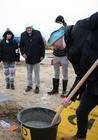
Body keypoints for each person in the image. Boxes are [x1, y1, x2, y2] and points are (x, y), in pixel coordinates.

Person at [48, 12, 98, 140]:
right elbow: (80, 75)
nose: (54, 47)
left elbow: (95, 19)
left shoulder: (80, 27)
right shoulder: (70, 52)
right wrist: (71, 96)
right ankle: (80, 137)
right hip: (94, 84)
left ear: (60, 38)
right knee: (81, 111)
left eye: (54, 44)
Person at [20, 24, 45, 94]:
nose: (29, 29)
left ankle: (37, 87)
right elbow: (21, 46)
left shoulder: (38, 33)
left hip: (37, 57)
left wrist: (42, 55)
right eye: (27, 28)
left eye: (30, 28)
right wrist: (23, 53)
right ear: (26, 28)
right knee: (29, 73)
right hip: (28, 58)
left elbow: (42, 45)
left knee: (37, 73)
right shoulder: (23, 35)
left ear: (32, 28)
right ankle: (29, 85)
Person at [48, 15, 69, 97]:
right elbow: (51, 40)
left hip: (64, 55)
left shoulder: (66, 30)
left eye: (58, 22)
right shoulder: (56, 30)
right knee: (56, 73)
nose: (57, 24)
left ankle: (64, 91)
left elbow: (69, 41)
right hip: (55, 54)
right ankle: (55, 90)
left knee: (65, 74)